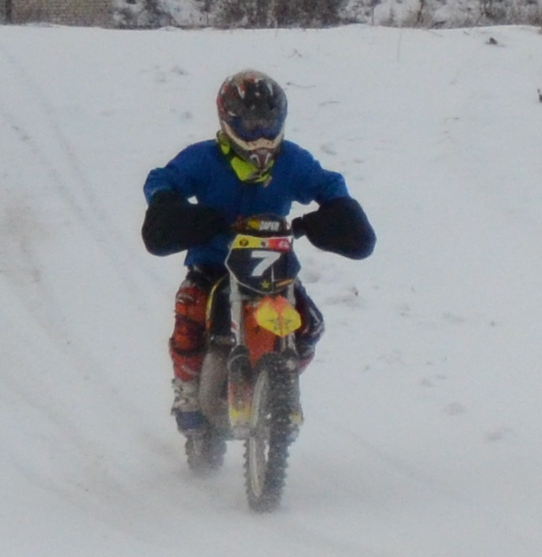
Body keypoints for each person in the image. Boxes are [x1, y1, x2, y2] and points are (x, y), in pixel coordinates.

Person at [140, 69, 375, 448]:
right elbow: (162, 179)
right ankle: (187, 388)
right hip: (213, 261)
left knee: (310, 324)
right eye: (250, 123)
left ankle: (281, 385)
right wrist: (172, 207)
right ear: (229, 120)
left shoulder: (291, 161)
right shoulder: (204, 158)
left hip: (272, 264)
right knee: (190, 311)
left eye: (267, 122)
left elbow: (327, 183)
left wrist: (335, 209)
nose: (260, 132)